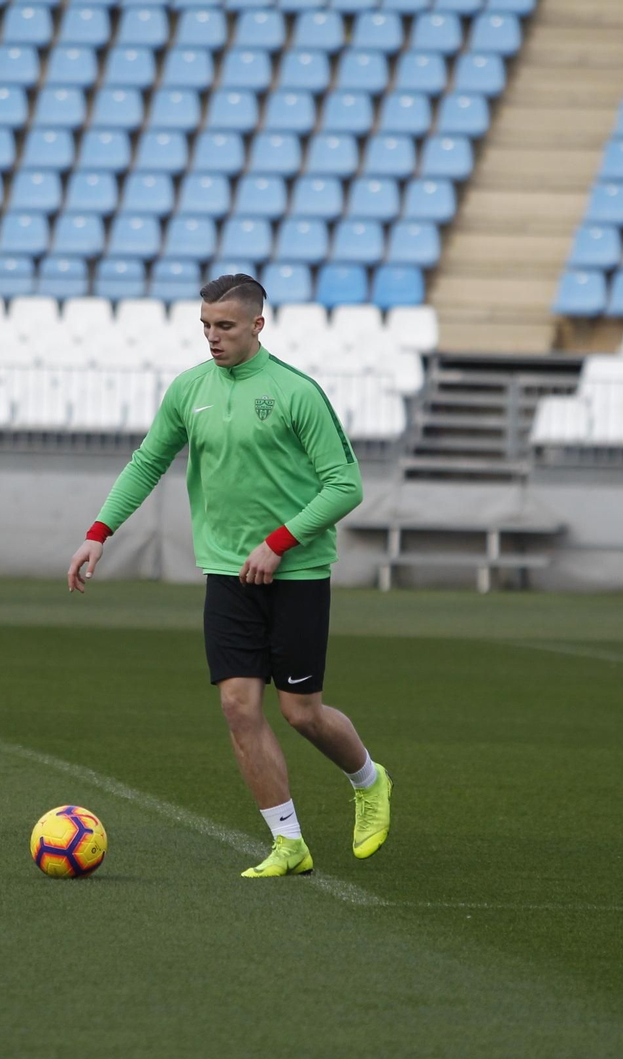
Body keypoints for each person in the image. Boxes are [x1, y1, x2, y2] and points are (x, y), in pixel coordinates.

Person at [66, 274, 392, 878]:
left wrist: (279, 542)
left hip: (296, 573)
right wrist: (98, 532)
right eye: (206, 326)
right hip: (226, 573)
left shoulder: (297, 392)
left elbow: (345, 486)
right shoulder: (190, 390)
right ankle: (288, 844)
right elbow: (147, 462)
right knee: (239, 708)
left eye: (226, 326)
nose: (213, 337)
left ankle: (369, 782)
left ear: (257, 326)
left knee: (302, 713)